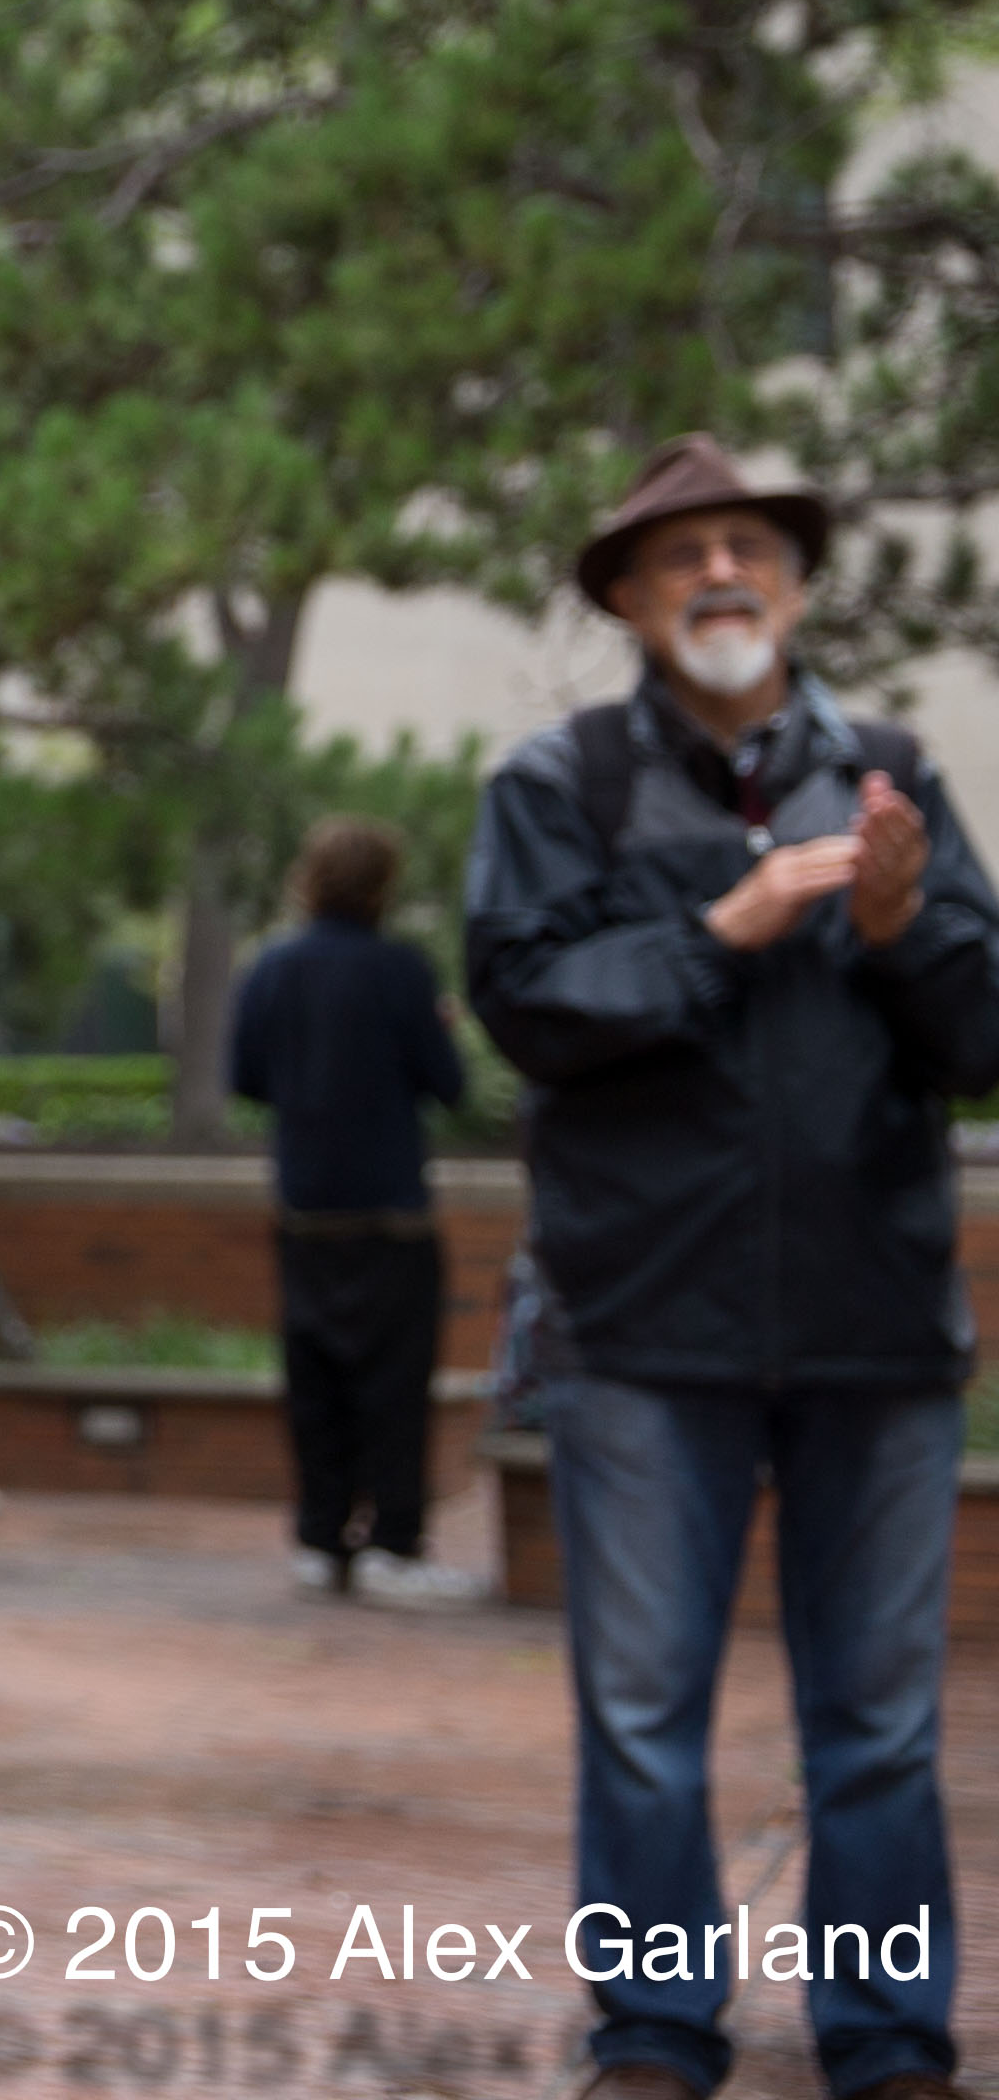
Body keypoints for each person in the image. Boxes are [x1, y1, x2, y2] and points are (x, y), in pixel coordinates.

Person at [467, 436, 999, 2100]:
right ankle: (652, 2032)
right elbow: (527, 1006)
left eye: (749, 548)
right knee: (642, 1717)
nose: (719, 573)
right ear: (627, 599)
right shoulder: (557, 782)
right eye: (681, 553)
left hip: (873, 1326)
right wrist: (723, 928)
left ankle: (886, 2039)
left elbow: (983, 1036)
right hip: (642, 1329)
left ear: (795, 585)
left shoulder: (891, 775)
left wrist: (902, 932)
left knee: (879, 1725)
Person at [227, 816, 480, 1606]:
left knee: (314, 1376)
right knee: (395, 1380)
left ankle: (320, 1537)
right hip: (389, 1209)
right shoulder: (400, 970)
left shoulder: (271, 968)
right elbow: (450, 1086)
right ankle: (393, 1545)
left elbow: (245, 1078)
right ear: (383, 886)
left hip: (305, 1204)